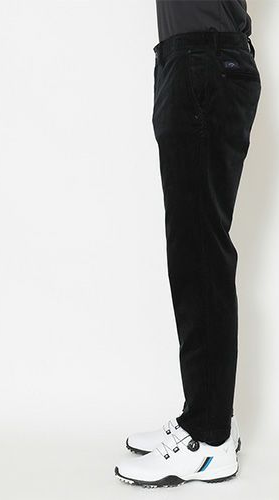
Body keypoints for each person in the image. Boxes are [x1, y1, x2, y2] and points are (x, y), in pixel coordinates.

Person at [115, 0, 261, 487]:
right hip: (191, 58)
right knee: (194, 251)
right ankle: (208, 416)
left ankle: (208, 437)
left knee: (199, 254)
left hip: (204, 62)